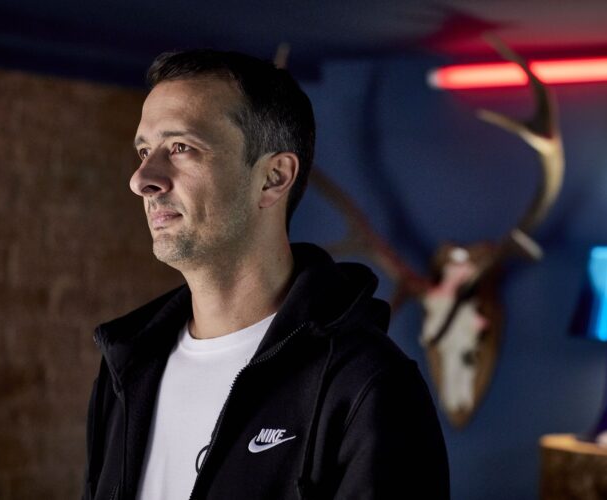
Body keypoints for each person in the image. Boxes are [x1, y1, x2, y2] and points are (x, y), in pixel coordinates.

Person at [83, 49, 449, 500]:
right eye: (144, 151)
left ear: (274, 177)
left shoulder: (367, 386)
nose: (142, 179)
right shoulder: (125, 370)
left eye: (181, 147)